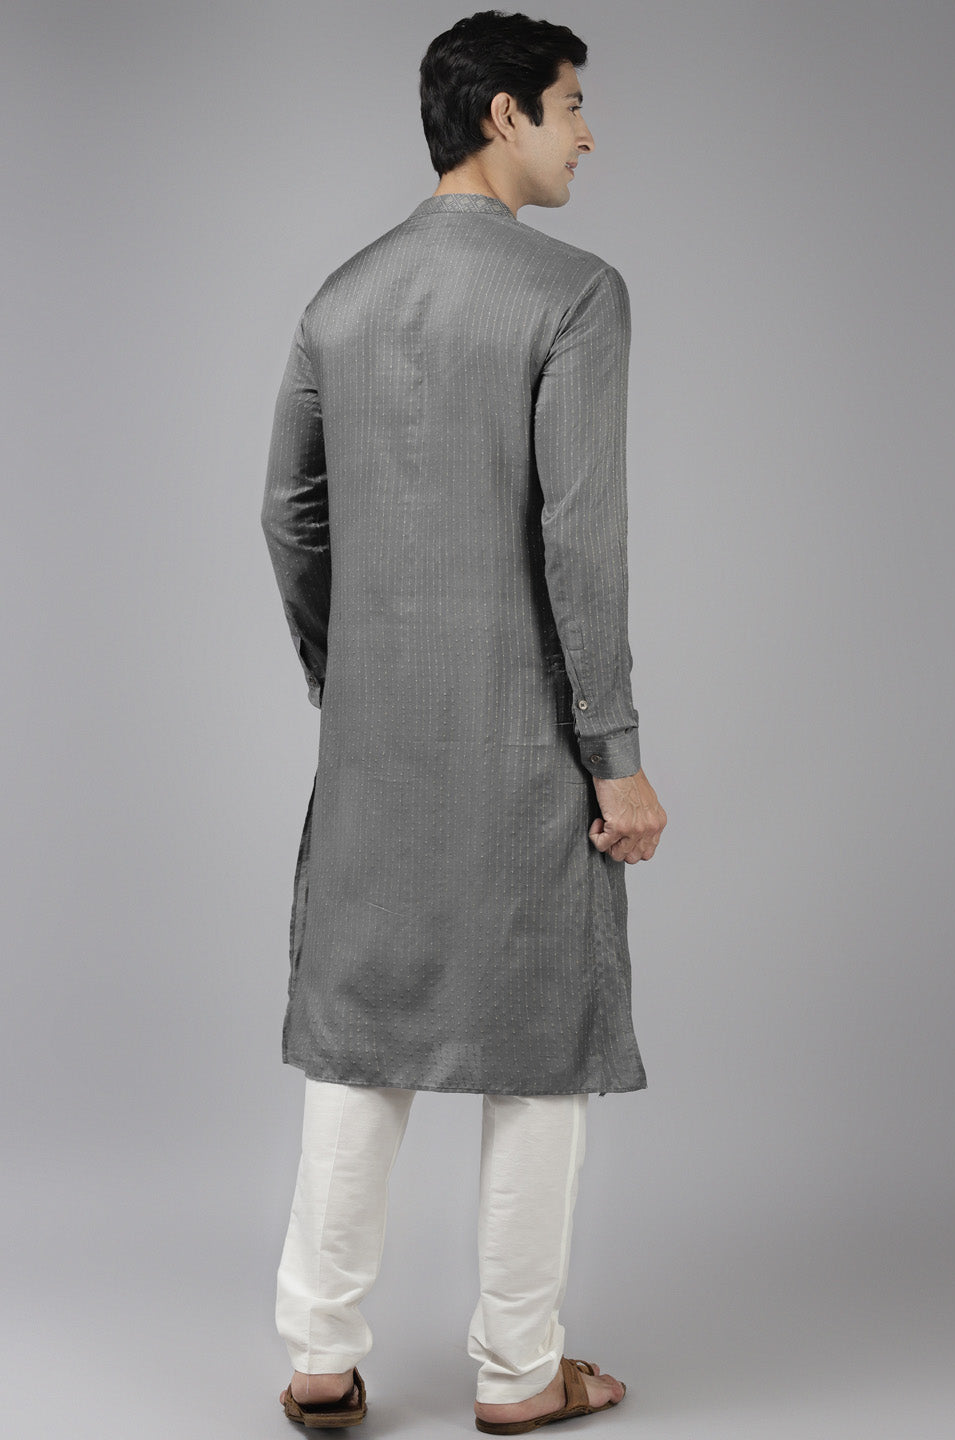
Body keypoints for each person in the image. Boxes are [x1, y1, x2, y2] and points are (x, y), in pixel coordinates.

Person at [260, 10, 666, 1432]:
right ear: (504, 115)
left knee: (358, 1035)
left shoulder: (341, 297)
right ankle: (518, 1371)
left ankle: (319, 1359)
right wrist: (615, 759)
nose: (588, 133)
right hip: (528, 748)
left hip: (375, 748)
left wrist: (350, 674)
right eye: (572, 103)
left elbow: (288, 515)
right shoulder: (575, 294)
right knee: (538, 1046)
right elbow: (581, 548)